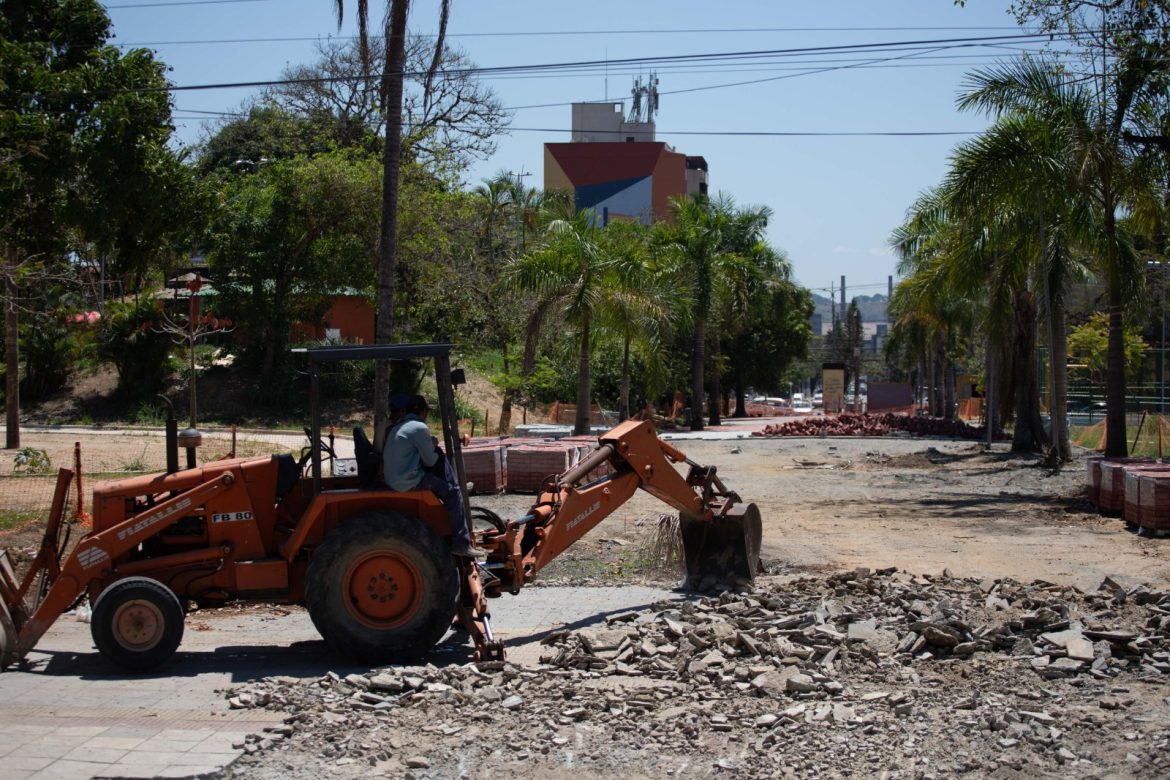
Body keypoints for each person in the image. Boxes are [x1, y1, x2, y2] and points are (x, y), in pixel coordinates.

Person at [383, 395, 486, 559]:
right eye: (426, 413)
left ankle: (452, 485)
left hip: (394, 477)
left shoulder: (398, 427)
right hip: (406, 480)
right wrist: (434, 444)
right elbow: (430, 461)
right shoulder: (419, 427)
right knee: (453, 493)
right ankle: (461, 544)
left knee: (437, 454)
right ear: (423, 412)